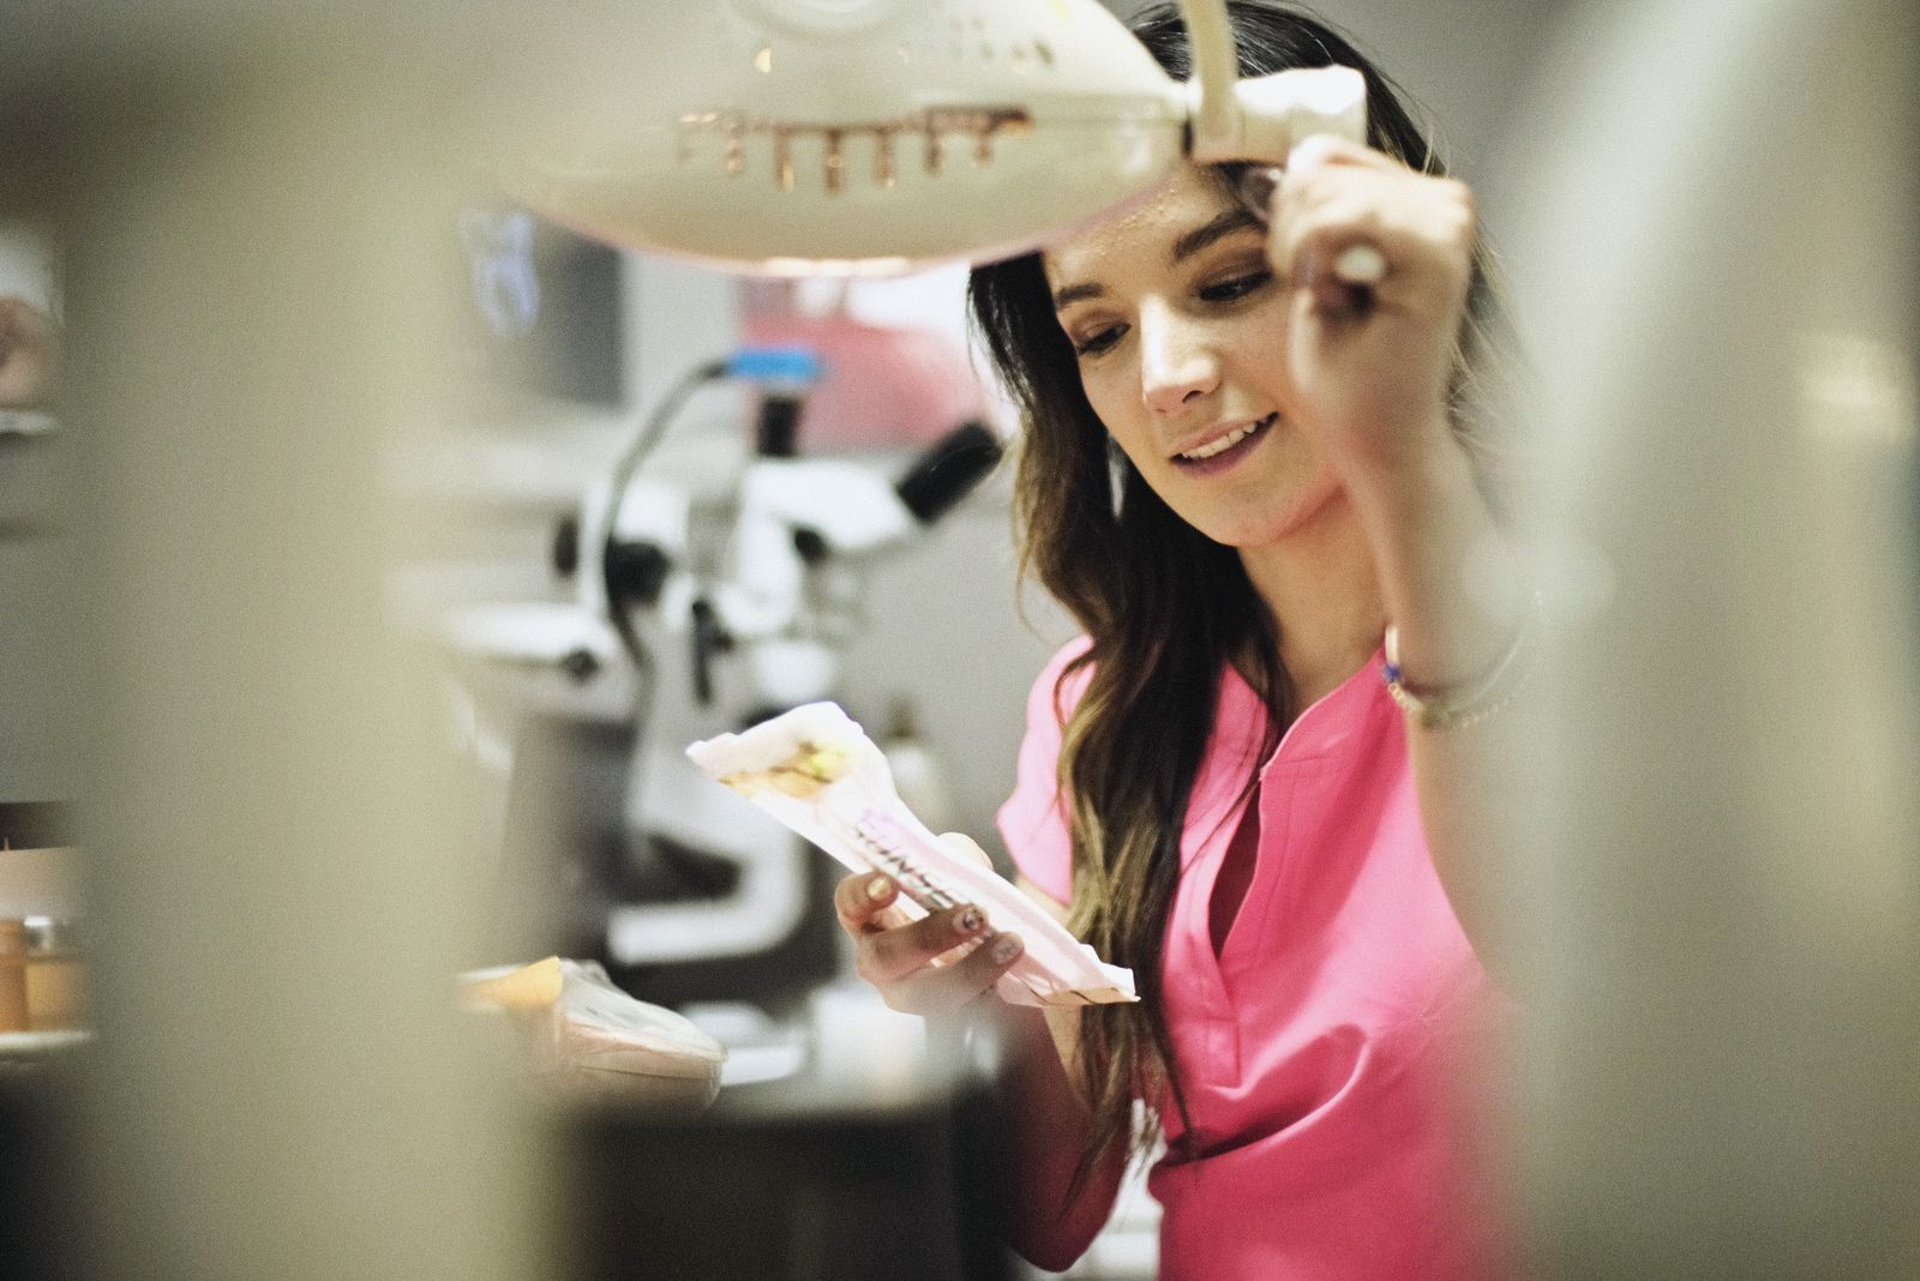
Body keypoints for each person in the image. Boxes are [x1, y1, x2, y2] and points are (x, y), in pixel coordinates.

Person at [833, 3, 1529, 1276]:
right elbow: (1056, 1212)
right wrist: (971, 1006)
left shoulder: (1572, 636)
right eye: (1097, 332)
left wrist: (1404, 445)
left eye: (1228, 283)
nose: (1163, 376)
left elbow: (1544, 936)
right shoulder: (1108, 707)